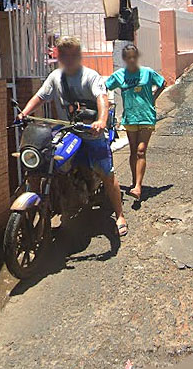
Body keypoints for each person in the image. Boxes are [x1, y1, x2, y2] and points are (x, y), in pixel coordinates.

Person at [16, 36, 128, 236]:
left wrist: (101, 121)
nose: (68, 59)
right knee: (45, 163)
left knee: (106, 174)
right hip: (67, 133)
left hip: (92, 134)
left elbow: (102, 99)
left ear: (78, 55)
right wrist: (24, 113)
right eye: (64, 55)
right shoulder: (55, 77)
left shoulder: (90, 77)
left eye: (72, 54)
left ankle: (119, 215)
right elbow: (40, 96)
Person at [104, 44, 166, 205]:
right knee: (133, 150)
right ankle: (134, 181)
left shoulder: (147, 72)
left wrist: (153, 98)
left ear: (137, 57)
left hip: (146, 116)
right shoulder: (119, 75)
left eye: (134, 56)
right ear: (124, 59)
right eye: (128, 57)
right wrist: (104, 103)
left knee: (141, 150)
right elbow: (103, 87)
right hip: (130, 117)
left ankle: (138, 186)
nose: (131, 60)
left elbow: (162, 83)